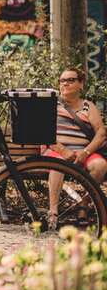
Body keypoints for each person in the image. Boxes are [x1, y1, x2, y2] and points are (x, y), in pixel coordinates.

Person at [44, 67, 107, 229]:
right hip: (56, 151)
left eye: (70, 80)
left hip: (83, 152)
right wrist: (63, 151)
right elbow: (42, 131)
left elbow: (101, 133)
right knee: (58, 165)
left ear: (81, 84)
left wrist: (85, 152)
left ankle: (83, 205)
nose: (65, 84)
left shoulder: (88, 106)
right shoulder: (51, 104)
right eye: (62, 80)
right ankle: (53, 213)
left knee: (100, 166)